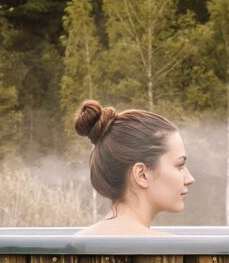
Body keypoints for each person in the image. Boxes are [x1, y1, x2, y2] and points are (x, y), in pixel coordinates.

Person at [74, 100, 195, 235]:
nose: (190, 179)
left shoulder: (78, 242)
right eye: (179, 166)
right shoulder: (174, 250)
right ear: (142, 174)